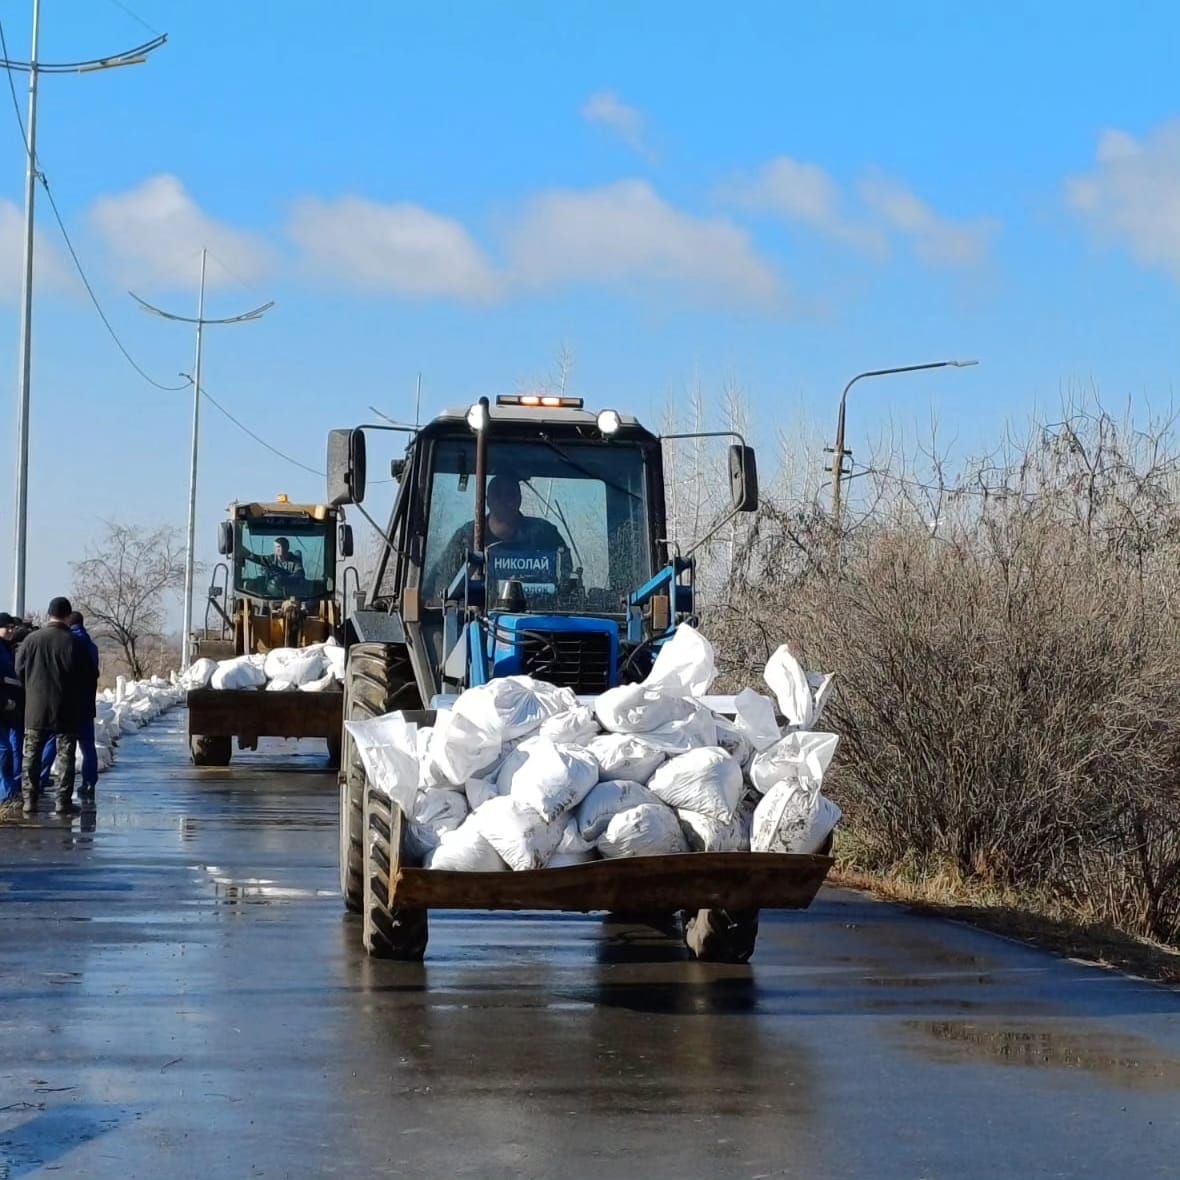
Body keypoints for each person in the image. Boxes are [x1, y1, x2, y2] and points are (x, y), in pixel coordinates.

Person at [16, 596, 98, 816]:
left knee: (31, 756)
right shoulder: (75, 643)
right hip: (66, 709)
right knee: (65, 757)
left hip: (35, 709)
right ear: (68, 616)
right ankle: (63, 802)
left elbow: (19, 670)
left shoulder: (31, 640)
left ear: (49, 613)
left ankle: (29, 801)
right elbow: (90, 676)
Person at [430, 476, 570, 596]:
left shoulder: (545, 535)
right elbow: (441, 585)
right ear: (487, 500)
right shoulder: (467, 537)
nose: (504, 500)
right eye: (498, 494)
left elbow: (566, 583)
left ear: (519, 499)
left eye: (510, 494)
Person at [67, 611, 100, 804]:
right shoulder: (91, 646)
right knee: (88, 746)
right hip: (87, 703)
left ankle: (48, 779)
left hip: (69, 704)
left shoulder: (69, 644)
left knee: (63, 745)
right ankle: (89, 782)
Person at [0, 612, 22, 806]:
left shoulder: (6, 649)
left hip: (8, 708)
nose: (11, 631)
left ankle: (9, 792)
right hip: (3, 705)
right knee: (4, 749)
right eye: (7, 627)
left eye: (12, 628)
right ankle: (5, 793)